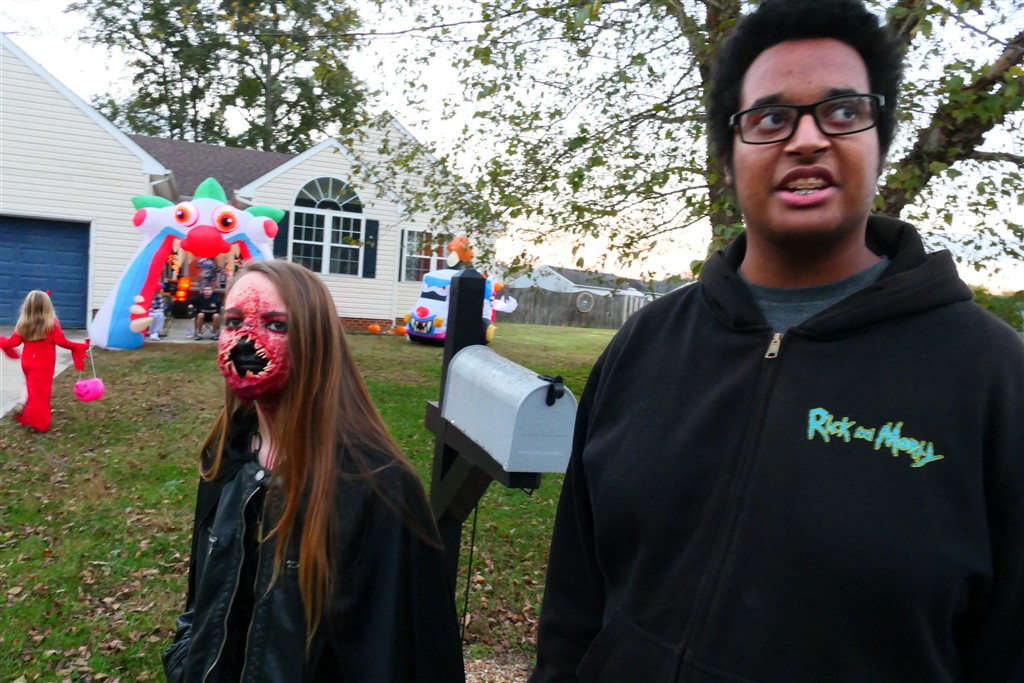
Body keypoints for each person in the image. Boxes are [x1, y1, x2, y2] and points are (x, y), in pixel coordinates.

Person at [530, 1, 1024, 682]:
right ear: (728, 157)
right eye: (770, 118)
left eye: (843, 111)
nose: (807, 139)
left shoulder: (994, 380)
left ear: (880, 141)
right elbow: (573, 608)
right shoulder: (643, 347)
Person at [162, 260, 465, 682]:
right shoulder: (227, 455)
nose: (246, 340)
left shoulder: (378, 488)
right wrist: (185, 661)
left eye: (275, 325)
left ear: (315, 342)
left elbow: (402, 654)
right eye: (233, 322)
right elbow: (202, 600)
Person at [0, 290, 89, 432]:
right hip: (44, 364)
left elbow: (13, 342)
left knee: (32, 390)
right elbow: (62, 342)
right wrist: (78, 346)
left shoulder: (22, 324)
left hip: (28, 362)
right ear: (48, 306)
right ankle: (39, 424)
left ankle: (26, 410)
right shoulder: (51, 324)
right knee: (41, 394)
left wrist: (2, 341)